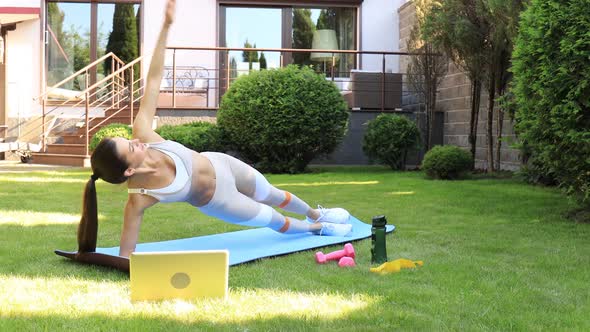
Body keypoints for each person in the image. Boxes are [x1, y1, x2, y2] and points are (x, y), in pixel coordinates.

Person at [77, 0, 353, 258]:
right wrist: (123, 261)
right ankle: (317, 230)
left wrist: (165, 27)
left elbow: (153, 80)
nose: (136, 141)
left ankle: (316, 215)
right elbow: (127, 248)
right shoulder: (139, 197)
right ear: (129, 171)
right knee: (274, 220)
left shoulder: (144, 133)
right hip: (220, 200)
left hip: (222, 164)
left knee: (274, 194)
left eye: (129, 139)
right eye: (130, 146)